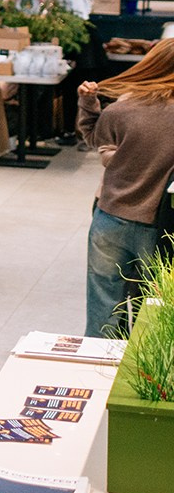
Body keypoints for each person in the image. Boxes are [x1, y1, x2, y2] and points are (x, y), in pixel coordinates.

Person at [77, 40, 174, 335]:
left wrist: (88, 104)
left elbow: (94, 138)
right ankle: (141, 376)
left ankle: (97, 369)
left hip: (110, 216)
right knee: (154, 310)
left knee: (103, 304)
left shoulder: (123, 109)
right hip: (159, 224)